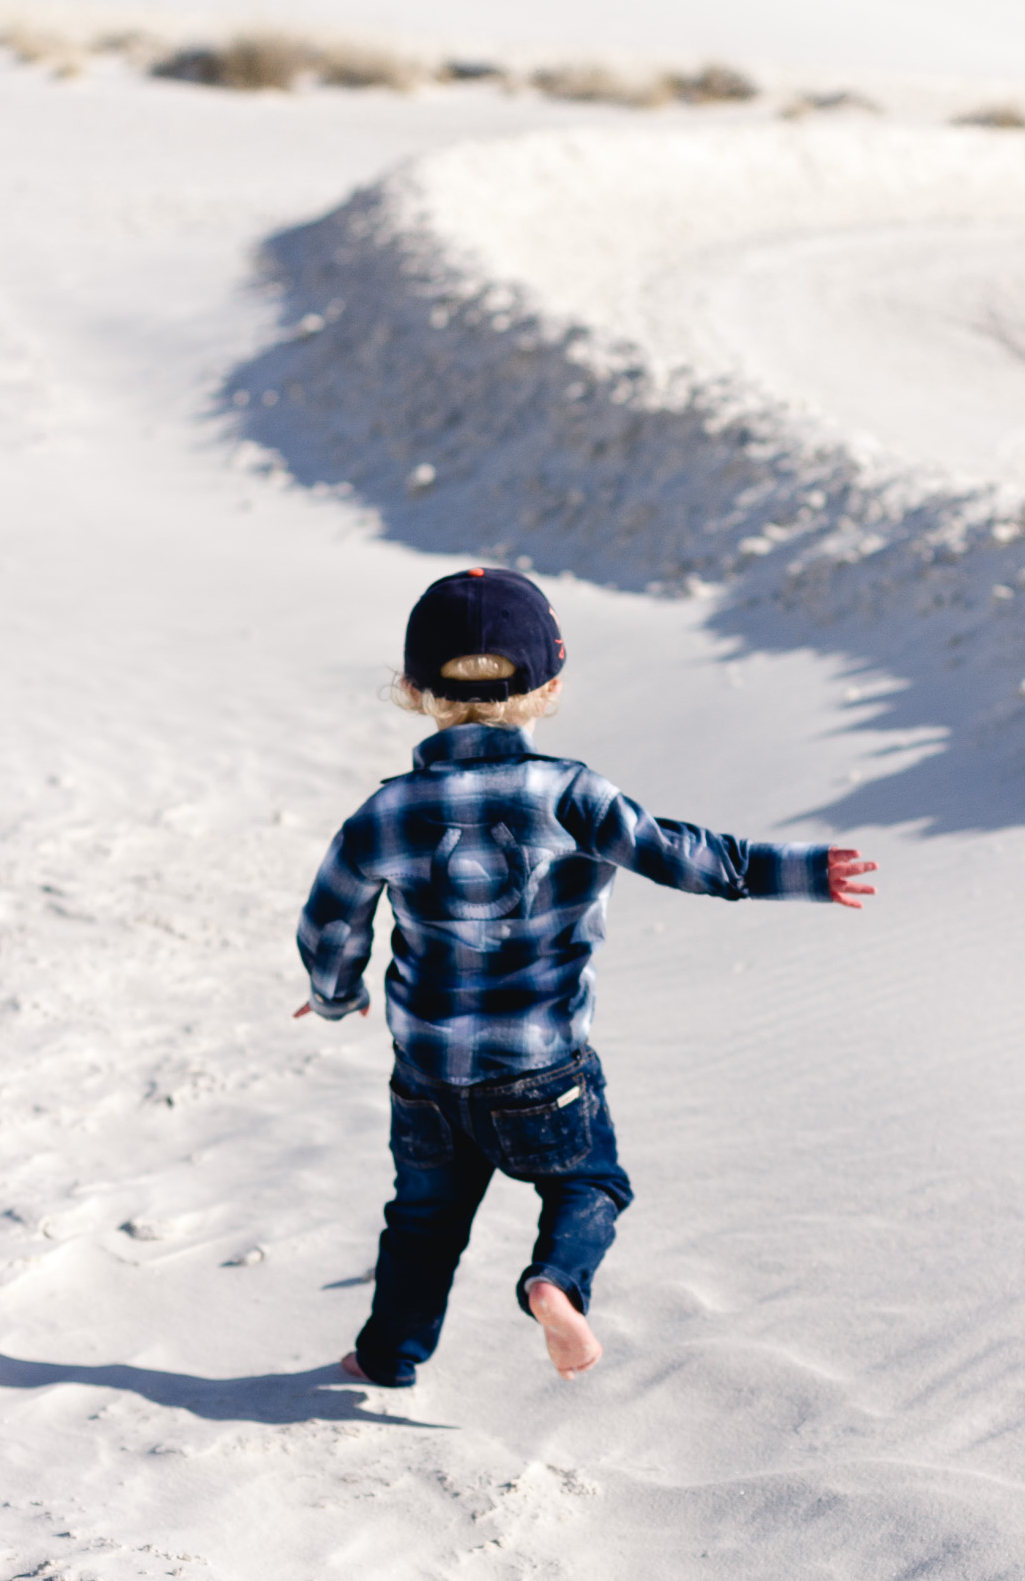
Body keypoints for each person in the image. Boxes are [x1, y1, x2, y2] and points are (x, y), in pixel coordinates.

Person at [295, 567, 876, 1388]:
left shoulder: (383, 813)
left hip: (425, 1078)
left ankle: (385, 1356)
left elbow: (329, 920)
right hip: (542, 1072)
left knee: (422, 1223)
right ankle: (554, 1282)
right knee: (589, 1180)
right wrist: (798, 871)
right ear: (549, 687)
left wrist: (335, 994)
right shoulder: (571, 795)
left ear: (412, 688)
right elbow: (684, 856)